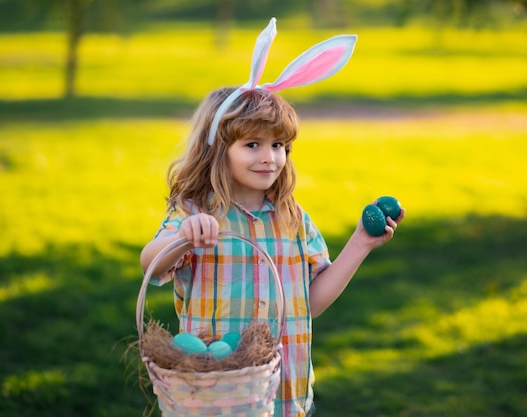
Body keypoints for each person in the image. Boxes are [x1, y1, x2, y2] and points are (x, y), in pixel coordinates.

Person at [140, 18, 404, 417]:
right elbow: (150, 262)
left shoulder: (293, 219)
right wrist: (184, 238)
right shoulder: (197, 213)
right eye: (252, 144)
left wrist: (361, 242)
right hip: (216, 398)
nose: (270, 157)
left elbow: (308, 303)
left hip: (287, 397)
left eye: (279, 145)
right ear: (218, 149)